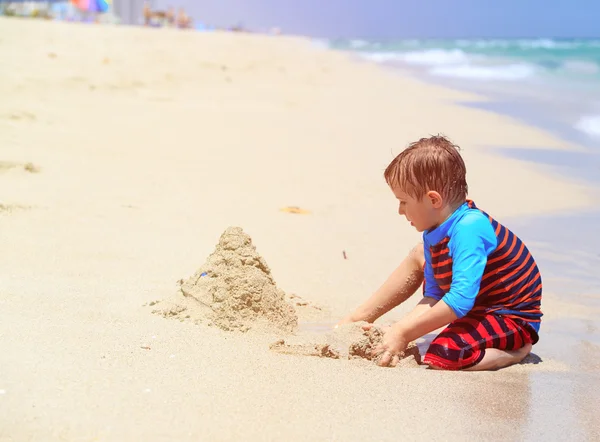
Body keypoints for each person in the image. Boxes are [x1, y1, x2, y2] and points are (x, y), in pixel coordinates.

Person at [338, 135, 542, 371]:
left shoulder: (469, 228)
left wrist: (403, 333)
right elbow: (434, 295)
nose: (400, 211)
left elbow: (460, 300)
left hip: (509, 316)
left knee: (444, 355)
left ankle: (515, 352)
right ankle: (358, 317)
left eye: (403, 202)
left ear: (433, 199)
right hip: (478, 306)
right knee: (419, 256)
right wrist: (402, 329)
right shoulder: (434, 231)